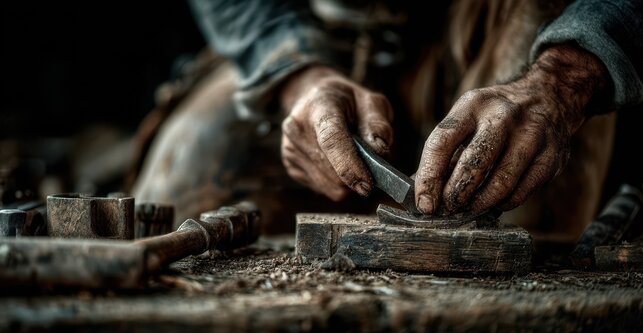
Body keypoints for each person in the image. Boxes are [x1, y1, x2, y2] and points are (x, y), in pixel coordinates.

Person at [131, 0, 642, 242]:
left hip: (526, 32)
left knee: (513, 245)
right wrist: (297, 77)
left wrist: (562, 80)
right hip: (311, 30)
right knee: (184, 214)